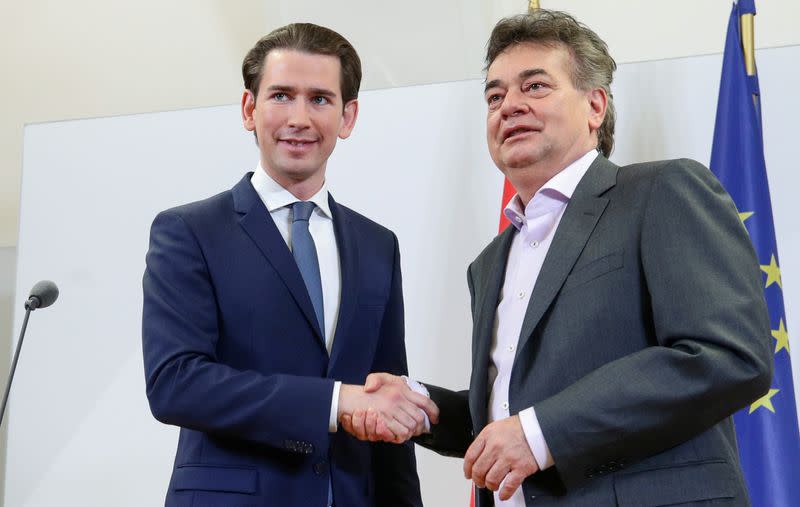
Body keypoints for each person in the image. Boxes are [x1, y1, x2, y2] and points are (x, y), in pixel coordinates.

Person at [344, 10, 773, 507]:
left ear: (595, 106)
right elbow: (509, 416)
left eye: (536, 87)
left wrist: (540, 431)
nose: (509, 106)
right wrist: (425, 408)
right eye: (495, 96)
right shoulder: (488, 264)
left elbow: (726, 355)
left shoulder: (662, 192)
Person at [142, 23, 437, 507]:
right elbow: (176, 382)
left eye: (320, 99)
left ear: (348, 117)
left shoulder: (377, 244)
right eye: (281, 95)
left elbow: (387, 399)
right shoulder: (189, 231)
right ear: (248, 109)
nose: (299, 117)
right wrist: (334, 403)